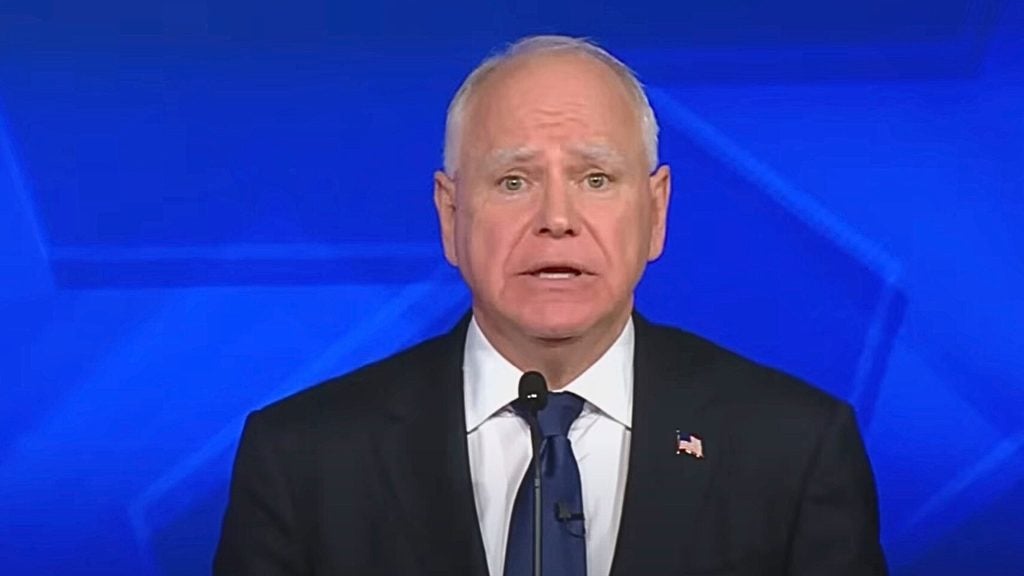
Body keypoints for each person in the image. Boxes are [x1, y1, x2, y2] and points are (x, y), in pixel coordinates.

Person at [213, 35, 888, 576]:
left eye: (596, 179)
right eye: (513, 181)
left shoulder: (795, 449)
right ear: (451, 216)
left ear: (655, 212)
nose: (556, 218)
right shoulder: (303, 458)